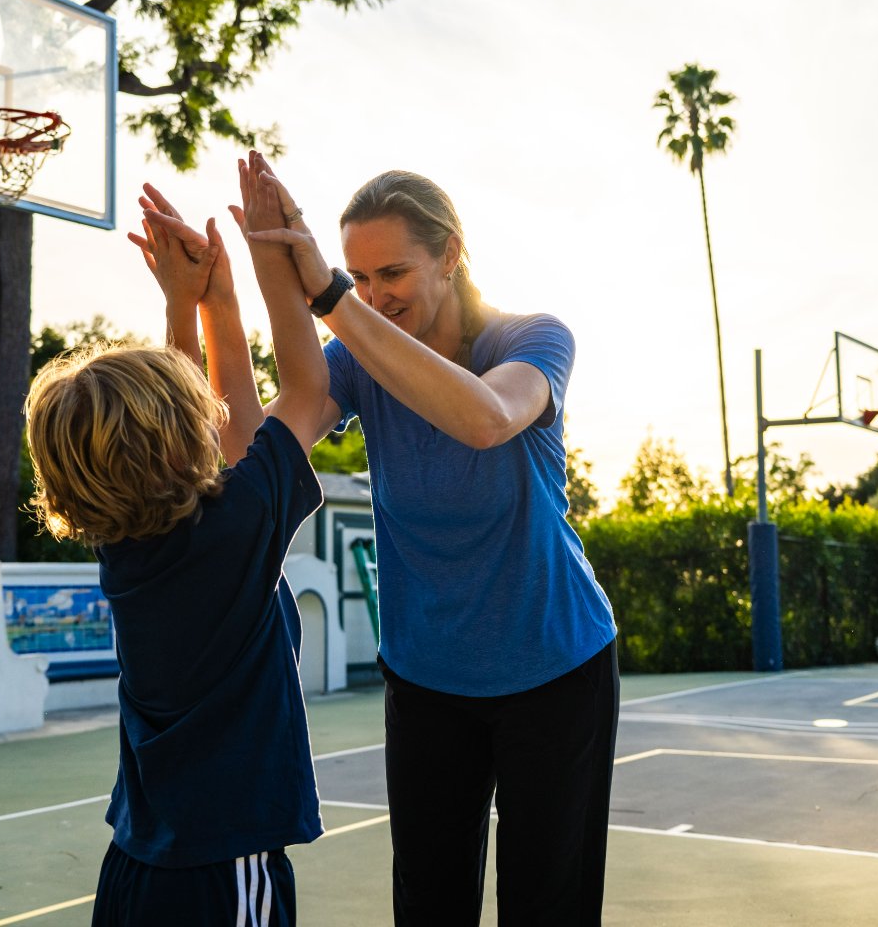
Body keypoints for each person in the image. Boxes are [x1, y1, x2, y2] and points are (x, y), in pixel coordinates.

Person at [160, 157, 619, 926]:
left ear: (451, 253)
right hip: (428, 678)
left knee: (549, 906)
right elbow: (252, 446)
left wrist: (331, 297)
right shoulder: (356, 359)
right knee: (428, 907)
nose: (376, 294)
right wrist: (218, 301)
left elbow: (483, 420)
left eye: (394, 272)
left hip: (555, 669)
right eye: (360, 276)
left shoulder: (531, 339)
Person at [24, 165, 327, 926]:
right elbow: (306, 393)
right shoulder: (226, 532)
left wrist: (191, 307)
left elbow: (216, 440)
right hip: (221, 867)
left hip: (137, 862)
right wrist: (268, 255)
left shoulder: (126, 542)